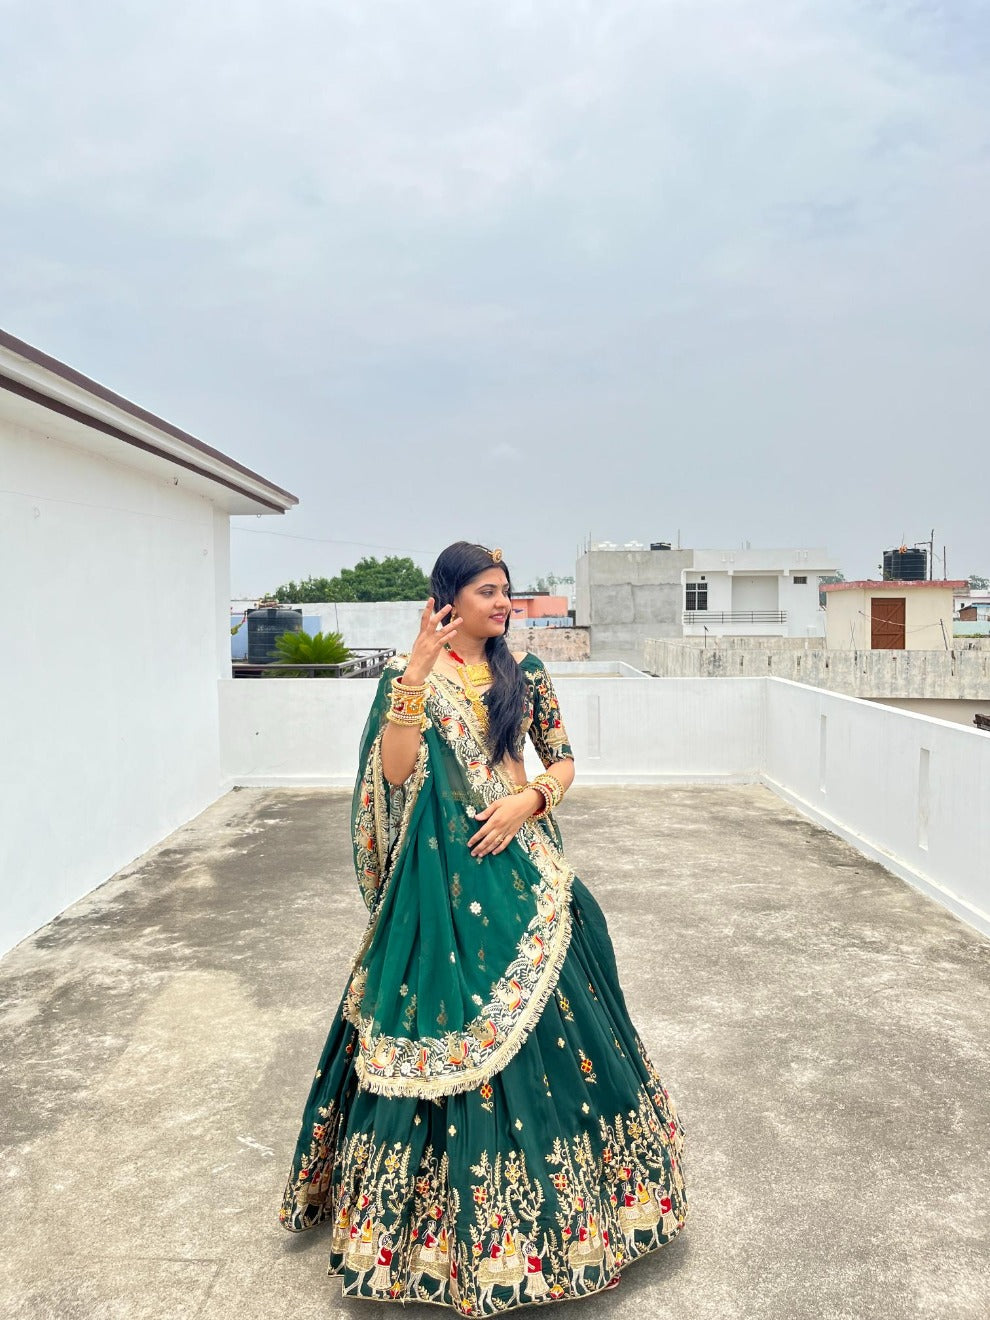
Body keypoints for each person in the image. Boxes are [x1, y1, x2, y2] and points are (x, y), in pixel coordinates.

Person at [279, 541, 688, 1311]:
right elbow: (394, 776)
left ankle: (588, 1219)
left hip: (526, 870)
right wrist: (413, 673)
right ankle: (425, 1243)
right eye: (488, 592)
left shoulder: (524, 675)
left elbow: (562, 762)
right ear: (449, 599)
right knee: (427, 1022)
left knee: (568, 1033)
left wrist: (527, 802)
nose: (503, 604)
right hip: (441, 887)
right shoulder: (415, 681)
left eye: (508, 592)